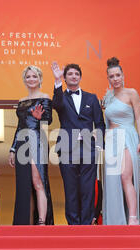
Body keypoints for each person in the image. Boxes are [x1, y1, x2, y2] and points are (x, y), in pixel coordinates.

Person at [51, 61, 105, 225]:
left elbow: (100, 123)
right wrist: (57, 81)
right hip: (67, 148)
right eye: (70, 74)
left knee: (88, 189)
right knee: (71, 189)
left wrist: (99, 143)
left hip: (88, 149)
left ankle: (87, 224)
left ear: (80, 77)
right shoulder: (61, 97)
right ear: (65, 78)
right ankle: (73, 226)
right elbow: (57, 105)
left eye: (76, 74)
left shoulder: (91, 98)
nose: (73, 76)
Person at [8, 66, 54, 225]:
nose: (31, 79)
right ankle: (25, 222)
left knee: (37, 180)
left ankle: (42, 222)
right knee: (24, 184)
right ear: (24, 80)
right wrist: (13, 149)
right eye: (28, 77)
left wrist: (39, 117)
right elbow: (20, 126)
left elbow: (49, 120)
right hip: (21, 141)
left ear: (40, 79)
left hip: (37, 139)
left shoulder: (45, 97)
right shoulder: (21, 101)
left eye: (34, 76)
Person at [102, 57, 140, 225]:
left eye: (118, 75)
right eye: (111, 76)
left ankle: (132, 218)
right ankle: (115, 220)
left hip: (127, 136)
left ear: (123, 75)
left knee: (126, 176)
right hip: (112, 139)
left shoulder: (132, 93)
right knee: (112, 181)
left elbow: (139, 119)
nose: (115, 79)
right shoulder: (108, 97)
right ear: (108, 78)